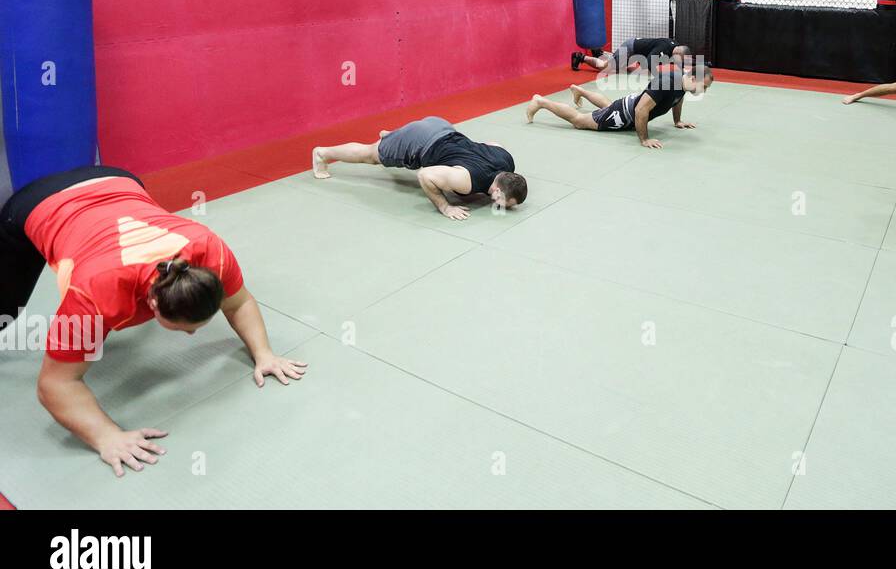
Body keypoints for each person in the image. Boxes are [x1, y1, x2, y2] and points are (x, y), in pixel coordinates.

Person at [0, 166, 306, 476]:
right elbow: (56, 384)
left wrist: (264, 353)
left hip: (117, 180)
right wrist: (106, 436)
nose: (189, 335)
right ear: (153, 304)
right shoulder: (94, 294)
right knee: (6, 308)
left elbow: (239, 302)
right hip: (36, 203)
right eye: (184, 327)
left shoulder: (211, 251)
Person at [312, 117, 527, 220]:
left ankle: (392, 138)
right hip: (420, 143)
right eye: (504, 203)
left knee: (390, 143)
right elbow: (425, 175)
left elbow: (491, 144)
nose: (501, 207)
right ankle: (323, 153)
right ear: (497, 190)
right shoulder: (467, 181)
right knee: (370, 155)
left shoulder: (505, 159)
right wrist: (445, 207)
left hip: (441, 126)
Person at [526, 63, 713, 149]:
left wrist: (677, 120)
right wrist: (644, 139)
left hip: (626, 106)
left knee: (608, 106)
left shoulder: (682, 84)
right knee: (579, 121)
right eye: (703, 86)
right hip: (626, 114)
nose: (703, 91)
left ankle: (580, 91)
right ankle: (541, 101)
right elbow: (641, 110)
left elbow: (677, 99)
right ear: (693, 78)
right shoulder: (667, 81)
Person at [573, 37, 691, 74]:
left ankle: (601, 53)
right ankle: (580, 57)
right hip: (630, 48)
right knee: (606, 68)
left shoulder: (675, 46)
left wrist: (684, 72)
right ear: (677, 53)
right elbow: (649, 63)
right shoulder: (664, 48)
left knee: (623, 68)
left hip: (635, 51)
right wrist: (659, 76)